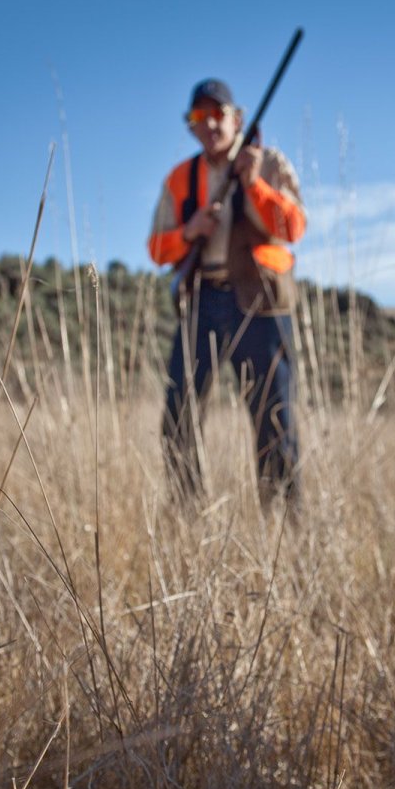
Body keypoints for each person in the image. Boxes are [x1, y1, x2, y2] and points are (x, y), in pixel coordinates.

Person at [147, 78, 306, 506]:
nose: (211, 123)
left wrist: (253, 183)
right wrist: (189, 232)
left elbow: (293, 228)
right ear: (191, 126)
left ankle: (283, 527)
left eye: (218, 114)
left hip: (262, 303)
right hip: (202, 299)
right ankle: (187, 514)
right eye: (200, 117)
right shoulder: (181, 178)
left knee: (273, 418)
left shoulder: (269, 163)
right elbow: (156, 248)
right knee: (178, 415)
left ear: (237, 119)